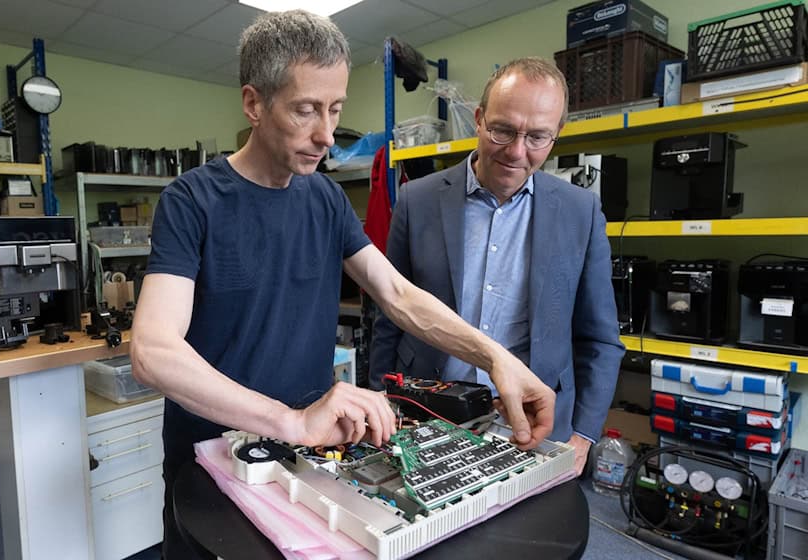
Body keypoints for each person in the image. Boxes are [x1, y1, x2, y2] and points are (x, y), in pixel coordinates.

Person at [130, 13, 557, 558]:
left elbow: (398, 294)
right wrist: (290, 419)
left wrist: (494, 356)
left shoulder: (325, 199)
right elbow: (152, 351)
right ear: (254, 103)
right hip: (214, 460)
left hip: (309, 451)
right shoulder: (191, 201)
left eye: (334, 110)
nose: (326, 135)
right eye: (305, 109)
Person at [369, 57, 625, 475]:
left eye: (538, 137)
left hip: (533, 428)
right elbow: (388, 315)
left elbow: (600, 339)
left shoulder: (581, 211)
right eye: (503, 130)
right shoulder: (417, 200)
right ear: (479, 119)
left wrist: (583, 436)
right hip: (427, 412)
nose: (517, 152)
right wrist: (381, 398)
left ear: (556, 136)